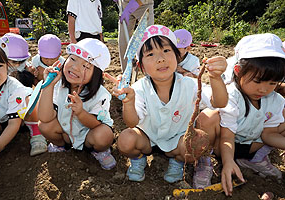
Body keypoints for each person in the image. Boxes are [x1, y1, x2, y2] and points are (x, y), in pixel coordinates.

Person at [109, 25, 228, 184]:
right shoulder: (139, 88)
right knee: (125, 140)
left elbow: (219, 102)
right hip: (147, 138)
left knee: (196, 143)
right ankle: (138, 159)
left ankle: (178, 161)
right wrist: (128, 102)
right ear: (141, 66)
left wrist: (215, 78)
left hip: (177, 140)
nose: (160, 58)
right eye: (150, 54)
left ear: (177, 56)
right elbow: (132, 122)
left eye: (166, 51)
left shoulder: (189, 84)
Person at [198, 33, 285, 196]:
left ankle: (255, 159)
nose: (264, 89)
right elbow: (227, 137)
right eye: (257, 81)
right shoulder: (232, 95)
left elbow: (269, 135)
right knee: (207, 117)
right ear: (238, 71)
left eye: (272, 83)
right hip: (223, 146)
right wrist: (228, 161)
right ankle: (204, 161)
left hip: (252, 146)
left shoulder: (275, 100)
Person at [37, 38, 117, 170]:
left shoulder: (100, 94)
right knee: (44, 126)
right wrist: (48, 86)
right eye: (73, 59)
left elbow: (96, 124)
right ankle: (61, 146)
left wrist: (81, 113)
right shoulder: (58, 84)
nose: (75, 67)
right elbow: (44, 117)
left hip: (88, 137)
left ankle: (99, 152)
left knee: (104, 135)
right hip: (66, 134)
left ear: (96, 75)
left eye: (85, 66)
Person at [0, 32, 47, 159]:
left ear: (7, 66)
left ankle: (36, 132)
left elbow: (14, 123)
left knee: (30, 100)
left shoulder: (14, 88)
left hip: (16, 121)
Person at [115, 0, 154, 72]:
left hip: (144, 5)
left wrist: (129, 9)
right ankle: (126, 73)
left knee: (149, 39)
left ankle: (150, 71)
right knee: (123, 42)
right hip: (125, 4)